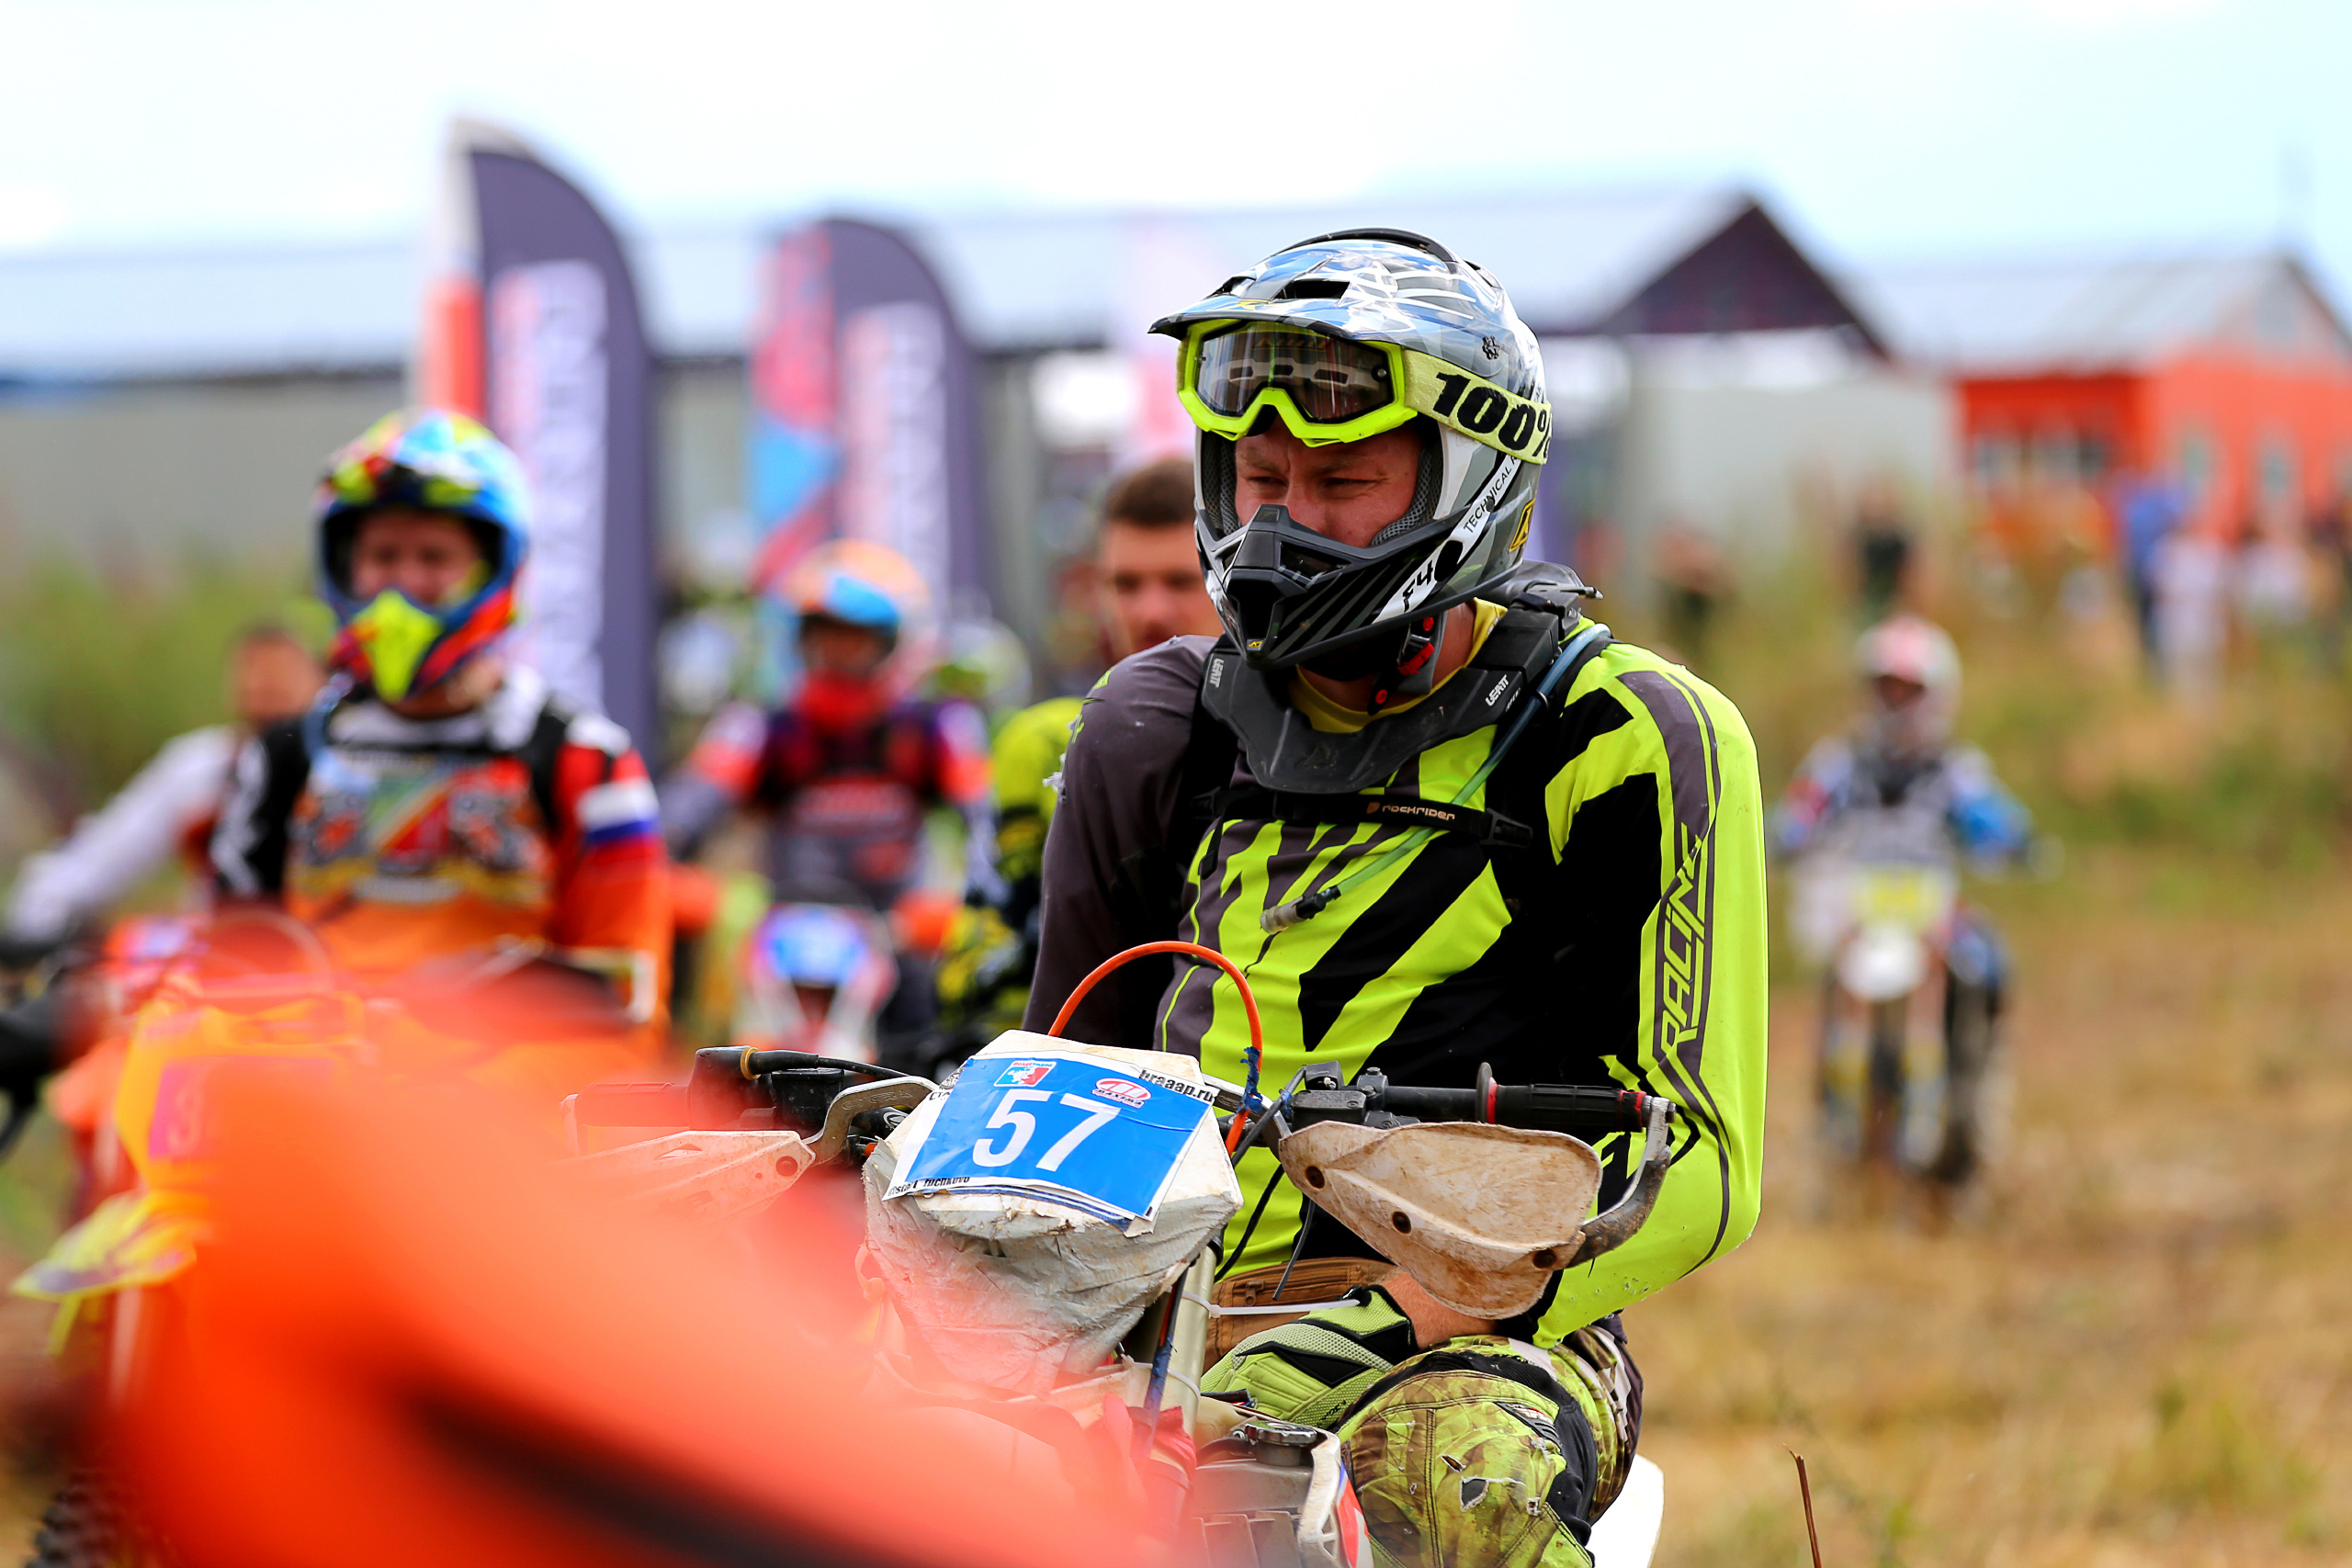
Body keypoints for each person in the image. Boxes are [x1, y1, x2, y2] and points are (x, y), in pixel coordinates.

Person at [1024, 230, 1767, 1563]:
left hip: (1474, 1334)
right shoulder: (1153, 725)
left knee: (1441, 1469)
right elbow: (1058, 1088)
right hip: (1171, 1310)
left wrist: (1397, 1314)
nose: (1279, 519)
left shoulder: (1625, 735)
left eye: (1340, 478)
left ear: (1467, 473)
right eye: (1256, 475)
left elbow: (1710, 1162)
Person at [209, 410, 671, 1035]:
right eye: (381, 555)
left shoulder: (588, 763)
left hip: (508, 1114)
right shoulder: (284, 757)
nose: (404, 583)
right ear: (344, 567)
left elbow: (629, 995)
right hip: (313, 1104)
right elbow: (229, 966)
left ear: (495, 569)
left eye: (434, 556)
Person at [934, 459, 1226, 1059]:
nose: (1150, 611)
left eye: (1180, 580)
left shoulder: (1311, 735)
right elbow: (983, 956)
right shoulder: (1045, 740)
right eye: (1125, 584)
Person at [1772, 614, 2032, 1182]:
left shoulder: (1954, 769)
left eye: (1908, 689)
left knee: (1987, 966)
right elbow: (1803, 808)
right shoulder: (1842, 762)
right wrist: (1782, 835)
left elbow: (1990, 813)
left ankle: (1974, 1103)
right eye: (1885, 686)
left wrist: (2014, 838)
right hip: (1859, 912)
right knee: (1833, 978)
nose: (1895, 701)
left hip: (1931, 915)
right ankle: (1834, 1120)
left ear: (1937, 693)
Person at [3, 626, 322, 951]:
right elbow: (104, 853)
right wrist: (32, 925)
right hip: (220, 963)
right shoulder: (200, 768)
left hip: (333, 965)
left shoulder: (343, 773)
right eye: (252, 675)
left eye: (282, 676)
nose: (263, 683)